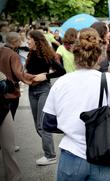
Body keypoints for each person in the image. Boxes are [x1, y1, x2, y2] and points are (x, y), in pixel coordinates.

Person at [42, 28, 110, 180]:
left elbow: (48, 123)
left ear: (74, 55)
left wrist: (71, 125)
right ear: (99, 57)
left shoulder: (61, 83)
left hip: (71, 154)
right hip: (102, 153)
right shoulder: (107, 80)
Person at [25, 30, 66, 166]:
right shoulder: (30, 54)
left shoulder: (46, 55)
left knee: (42, 125)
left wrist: (46, 76)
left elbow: (61, 71)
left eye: (29, 39)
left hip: (44, 90)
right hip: (32, 90)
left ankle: (50, 155)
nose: (27, 41)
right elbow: (28, 71)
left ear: (36, 40)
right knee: (38, 127)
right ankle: (53, 148)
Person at [0, 32, 35, 153]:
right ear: (14, 42)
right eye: (19, 41)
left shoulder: (1, 50)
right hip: (11, 93)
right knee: (8, 121)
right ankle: (9, 145)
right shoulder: (13, 55)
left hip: (1, 91)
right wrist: (34, 79)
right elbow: (20, 74)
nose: (21, 43)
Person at [0, 72, 22, 181]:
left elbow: (10, 87)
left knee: (9, 148)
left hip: (2, 110)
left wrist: (4, 80)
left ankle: (14, 177)